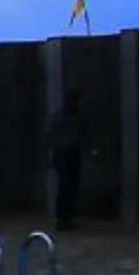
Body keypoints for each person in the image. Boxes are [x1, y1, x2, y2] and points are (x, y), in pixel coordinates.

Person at [46, 86, 87, 231]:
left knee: (72, 186)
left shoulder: (78, 116)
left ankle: (68, 218)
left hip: (73, 152)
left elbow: (84, 132)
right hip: (62, 153)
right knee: (64, 186)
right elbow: (49, 135)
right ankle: (61, 219)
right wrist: (50, 156)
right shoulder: (58, 115)